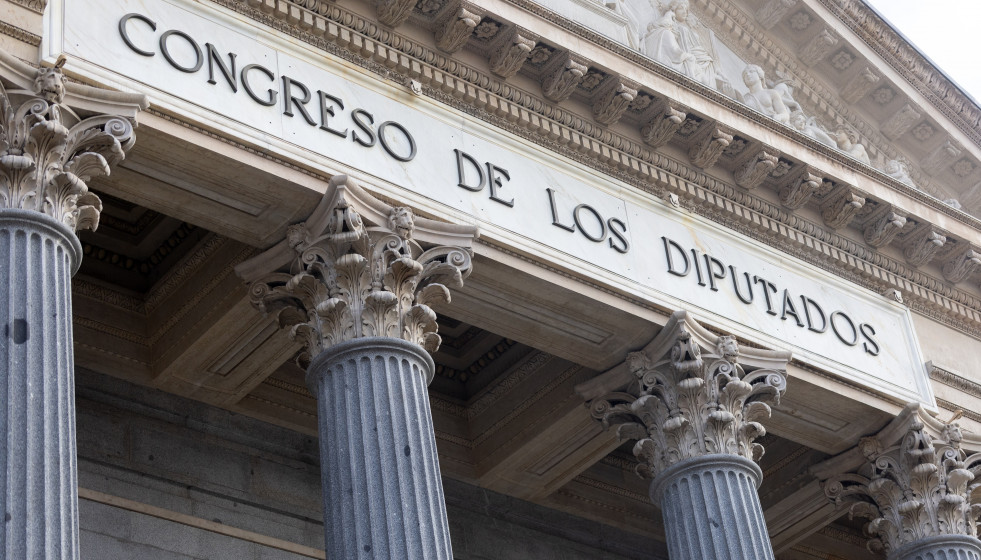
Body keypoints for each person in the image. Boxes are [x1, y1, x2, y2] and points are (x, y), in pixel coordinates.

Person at [643, 0, 722, 90]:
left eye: (686, 10)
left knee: (702, 74)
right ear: (674, 9)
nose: (685, 12)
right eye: (681, 8)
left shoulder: (685, 29)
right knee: (666, 34)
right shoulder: (669, 21)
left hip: (692, 57)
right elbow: (655, 26)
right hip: (675, 53)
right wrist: (668, 15)